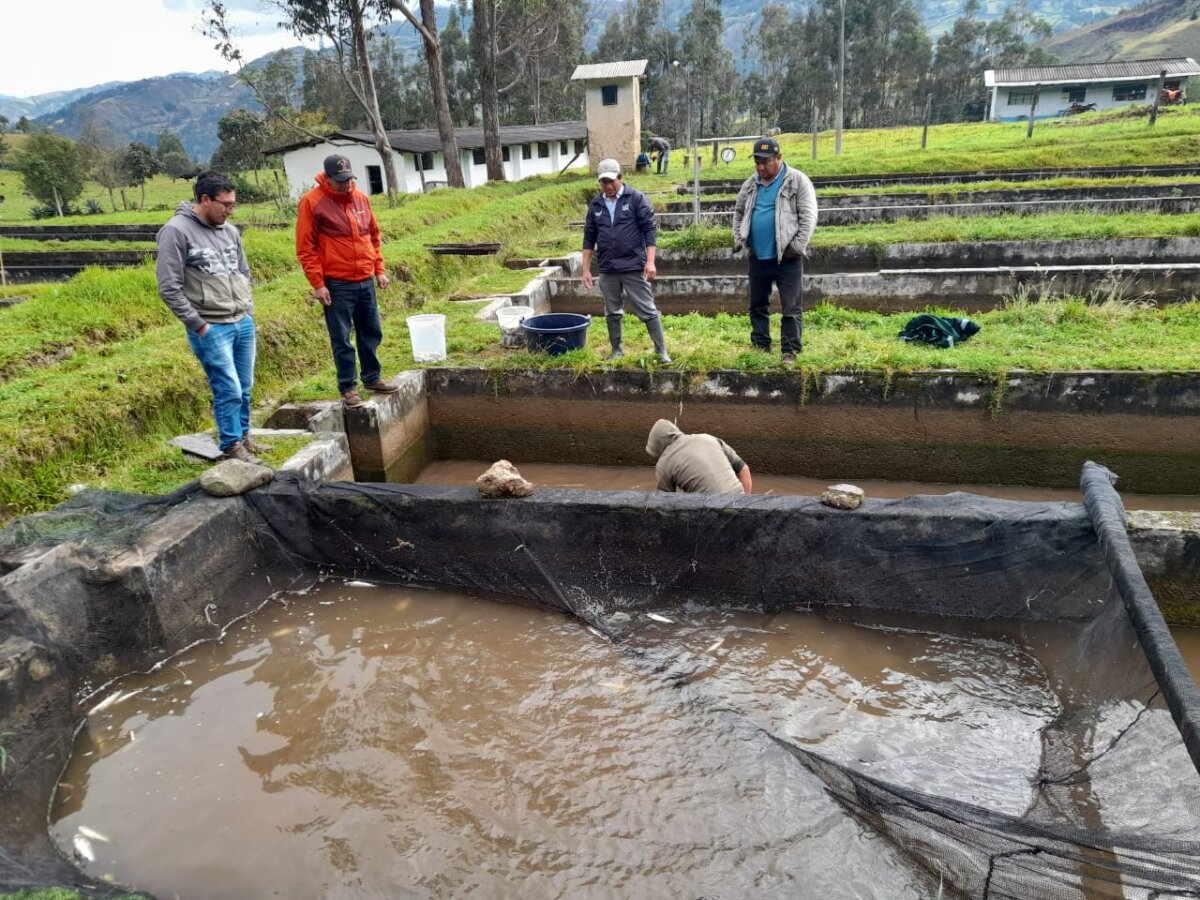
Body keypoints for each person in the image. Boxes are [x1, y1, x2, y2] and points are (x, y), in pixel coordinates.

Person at [156, 171, 261, 464]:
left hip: (241, 319)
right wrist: (198, 325)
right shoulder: (176, 231)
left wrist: (248, 309)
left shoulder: (230, 231)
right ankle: (230, 445)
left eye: (233, 205)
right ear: (205, 199)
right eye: (225, 204)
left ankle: (244, 436)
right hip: (210, 325)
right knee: (227, 388)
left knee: (245, 385)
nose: (230, 210)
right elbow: (168, 286)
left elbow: (243, 271)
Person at [296, 153, 400, 409]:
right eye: (340, 181)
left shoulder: (361, 199)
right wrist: (318, 284)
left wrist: (379, 270)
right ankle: (348, 388)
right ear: (327, 178)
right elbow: (305, 247)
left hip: (365, 277)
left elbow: (372, 237)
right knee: (342, 338)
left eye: (348, 179)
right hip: (337, 283)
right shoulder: (312, 202)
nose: (345, 185)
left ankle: (372, 378)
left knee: (371, 331)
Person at [731, 136, 818, 367]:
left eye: (766, 162)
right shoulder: (751, 184)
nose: (761, 167)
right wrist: (742, 241)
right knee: (758, 305)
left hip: (786, 258)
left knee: (791, 307)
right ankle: (760, 346)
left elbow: (808, 216)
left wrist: (796, 247)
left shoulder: (797, 181)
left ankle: (790, 351)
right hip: (758, 256)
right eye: (757, 162)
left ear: (779, 158)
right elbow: (738, 212)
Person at [581, 158, 671, 363]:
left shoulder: (636, 198)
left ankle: (661, 351)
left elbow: (649, 230)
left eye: (612, 181)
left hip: (632, 265)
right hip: (607, 268)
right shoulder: (596, 204)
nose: (608, 186)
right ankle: (617, 350)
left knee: (647, 309)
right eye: (604, 182)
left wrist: (650, 262)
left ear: (621, 178)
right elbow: (589, 238)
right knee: (612, 311)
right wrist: (586, 269)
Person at [646, 419, 752, 495]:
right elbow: (744, 469)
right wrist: (745, 505)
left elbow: (664, 505)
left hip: (711, 512)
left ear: (659, 446)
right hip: (739, 500)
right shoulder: (708, 438)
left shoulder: (664, 463)